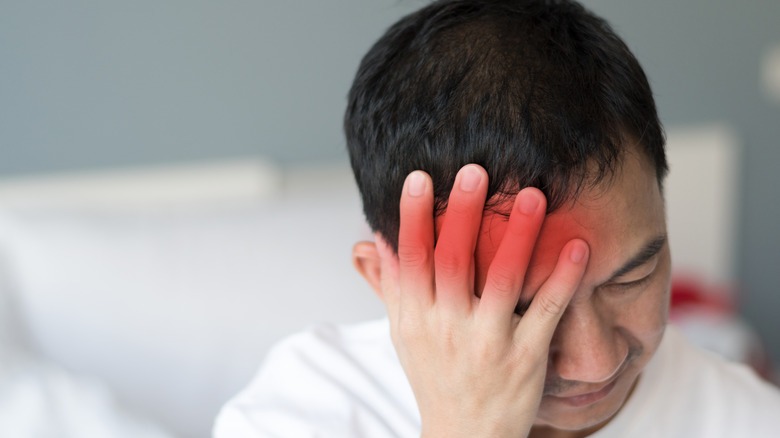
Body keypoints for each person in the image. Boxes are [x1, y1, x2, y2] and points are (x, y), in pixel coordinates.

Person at [214, 1, 780, 436]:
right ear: (387, 283)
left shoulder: (742, 416)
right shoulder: (303, 411)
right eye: (517, 310)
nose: (596, 361)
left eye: (631, 280)